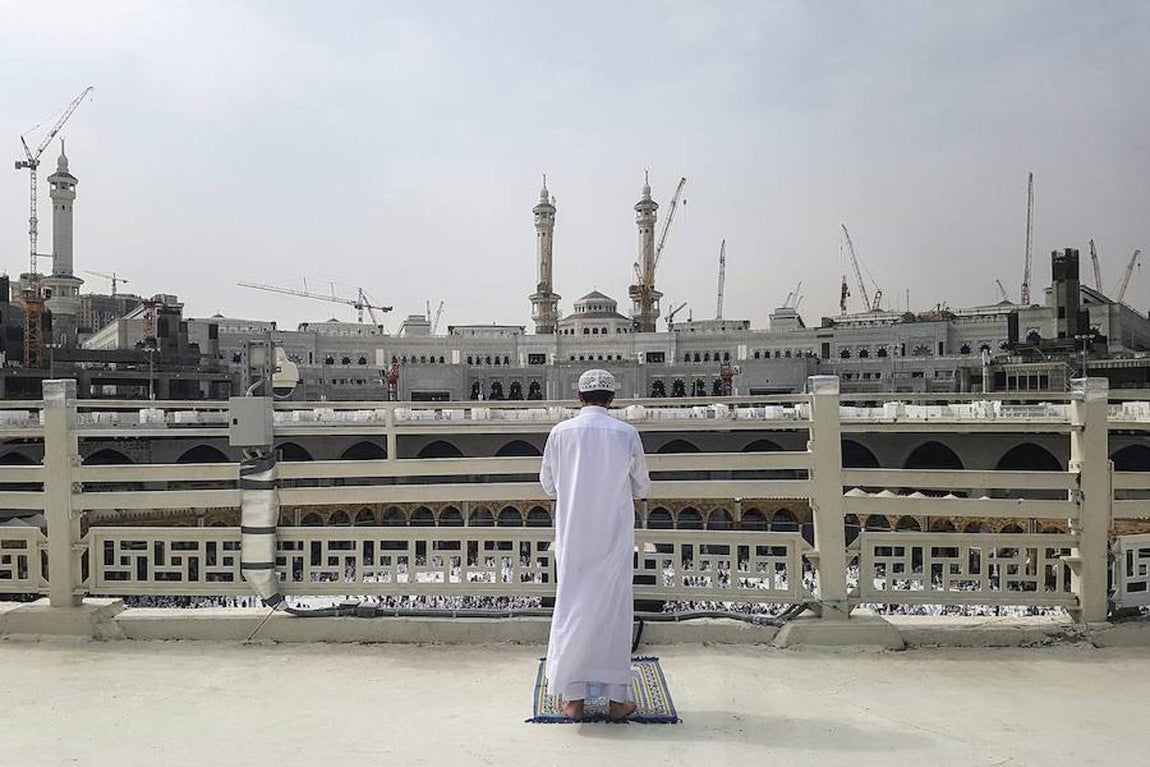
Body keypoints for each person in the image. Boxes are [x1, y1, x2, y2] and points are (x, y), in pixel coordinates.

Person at [540, 369, 650, 722]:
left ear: (579, 398)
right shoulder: (626, 433)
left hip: (574, 538)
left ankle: (573, 700)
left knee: (573, 608)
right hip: (614, 537)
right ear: (611, 399)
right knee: (614, 612)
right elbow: (642, 488)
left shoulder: (560, 433)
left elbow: (548, 485)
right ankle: (617, 701)